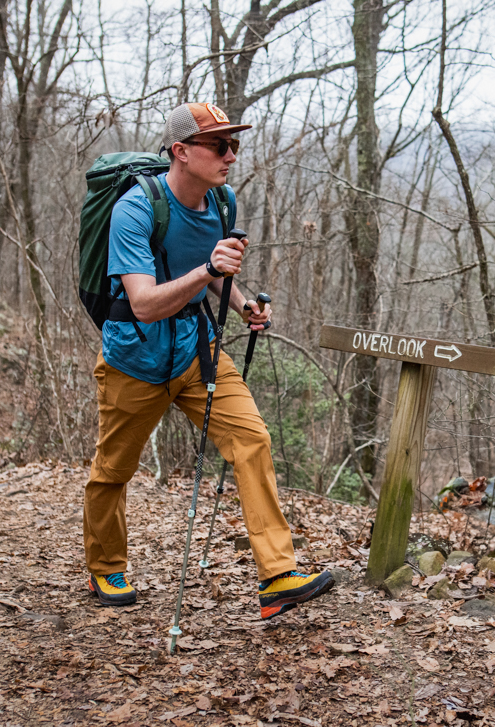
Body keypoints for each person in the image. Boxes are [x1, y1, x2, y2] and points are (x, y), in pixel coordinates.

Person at [82, 102, 334, 619]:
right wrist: (206, 270)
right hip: (136, 358)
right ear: (180, 151)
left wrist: (244, 306)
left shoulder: (221, 203)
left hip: (198, 352)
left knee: (252, 439)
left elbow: (215, 273)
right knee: (114, 468)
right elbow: (145, 303)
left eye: (234, 145)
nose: (231, 156)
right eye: (220, 146)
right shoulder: (134, 210)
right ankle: (106, 565)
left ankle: (278, 575)